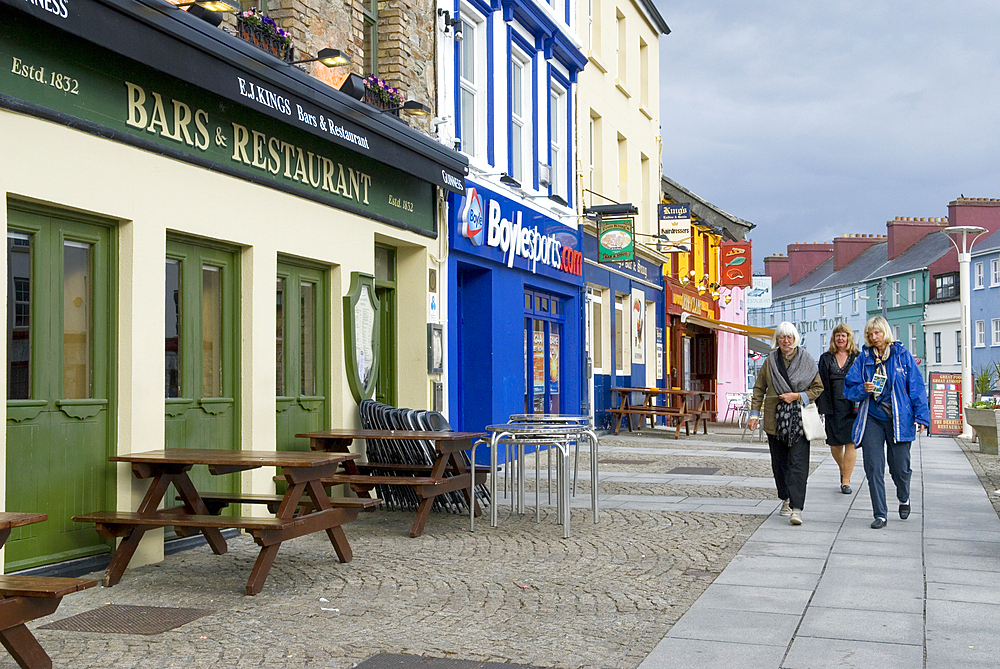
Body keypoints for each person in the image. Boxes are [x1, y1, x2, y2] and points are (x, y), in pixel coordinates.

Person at [844, 316, 929, 529]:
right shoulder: (863, 359)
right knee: (873, 467)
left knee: (899, 468)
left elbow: (916, 388)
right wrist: (863, 388)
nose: (874, 338)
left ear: (885, 333)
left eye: (877, 333)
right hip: (872, 417)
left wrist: (922, 418)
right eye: (870, 334)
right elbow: (848, 389)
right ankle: (880, 513)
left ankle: (904, 496)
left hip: (899, 418)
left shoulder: (902, 356)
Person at [748, 322, 824, 526]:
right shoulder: (770, 361)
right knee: (780, 464)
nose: (786, 341)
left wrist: (797, 396)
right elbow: (758, 389)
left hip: (799, 420)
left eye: (789, 337)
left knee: (798, 464)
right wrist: (754, 415)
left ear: (795, 338)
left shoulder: (806, 359)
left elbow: (818, 388)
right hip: (775, 420)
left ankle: (796, 508)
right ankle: (786, 497)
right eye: (782, 337)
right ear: (777, 340)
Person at [817, 323, 860, 494]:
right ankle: (844, 470)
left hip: (852, 406)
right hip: (832, 406)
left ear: (849, 337)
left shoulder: (857, 356)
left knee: (851, 443)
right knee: (835, 445)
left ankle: (846, 481)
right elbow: (819, 382)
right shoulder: (826, 357)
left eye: (844, 335)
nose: (841, 338)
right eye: (838, 335)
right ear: (834, 338)